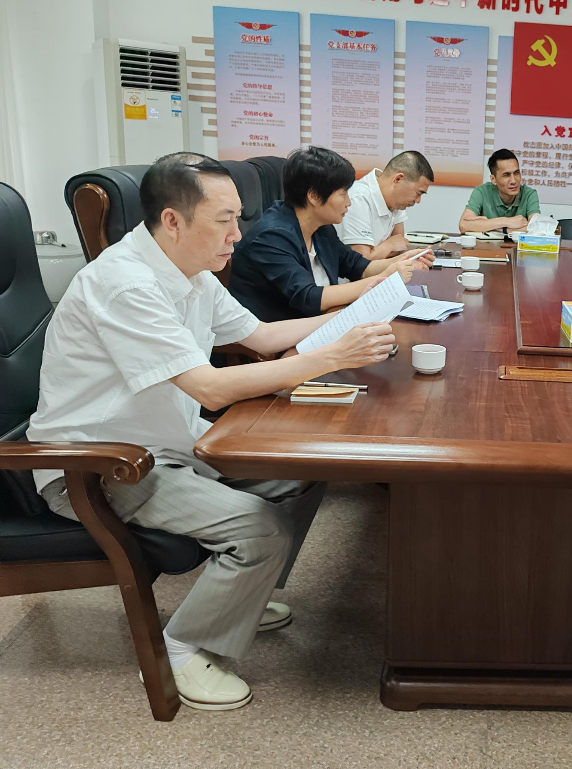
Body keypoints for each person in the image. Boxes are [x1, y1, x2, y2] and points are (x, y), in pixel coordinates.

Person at [26, 152, 397, 711]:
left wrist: (354, 317)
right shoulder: (125, 284)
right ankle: (182, 649)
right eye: (224, 220)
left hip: (168, 444)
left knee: (298, 476)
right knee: (260, 530)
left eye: (237, 217)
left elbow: (262, 336)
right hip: (100, 464)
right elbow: (211, 389)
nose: (237, 234)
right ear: (173, 221)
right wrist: (331, 356)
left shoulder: (192, 271)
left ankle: (237, 599)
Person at [229, 146, 433, 322]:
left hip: (320, 321)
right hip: (282, 337)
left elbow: (359, 267)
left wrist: (402, 260)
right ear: (314, 196)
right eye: (343, 194)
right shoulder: (271, 236)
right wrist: (383, 278)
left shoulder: (321, 228)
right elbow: (309, 297)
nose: (349, 202)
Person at [338, 150, 434, 258]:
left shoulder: (396, 200)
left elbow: (400, 246)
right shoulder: (358, 198)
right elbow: (361, 261)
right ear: (398, 179)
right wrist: (389, 245)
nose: (418, 201)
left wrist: (378, 251)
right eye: (418, 193)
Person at [459, 148, 541, 234]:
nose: (513, 181)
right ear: (493, 179)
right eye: (506, 175)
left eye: (516, 173)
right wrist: (507, 221)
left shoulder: (529, 194)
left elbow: (537, 228)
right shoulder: (481, 192)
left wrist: (497, 228)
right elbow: (464, 225)